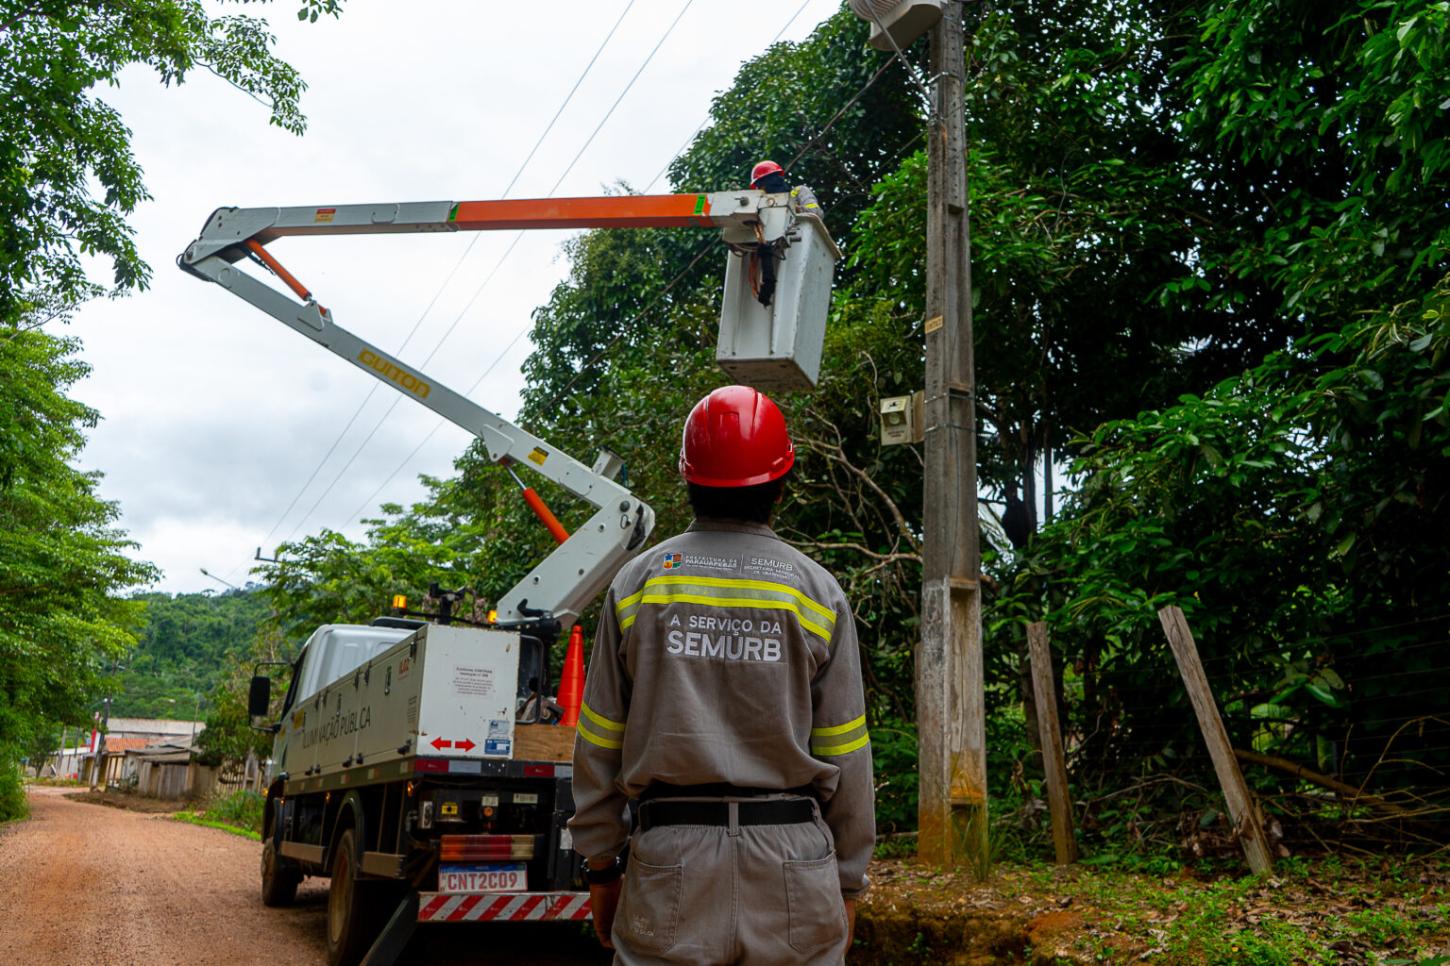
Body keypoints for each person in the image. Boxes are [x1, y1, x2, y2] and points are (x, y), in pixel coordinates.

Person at [569, 385, 875, 965]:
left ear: (688, 480)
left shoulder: (639, 584)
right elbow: (846, 753)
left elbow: (601, 741)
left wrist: (602, 866)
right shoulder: (816, 593)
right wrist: (848, 880)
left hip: (668, 863)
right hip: (794, 866)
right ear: (781, 482)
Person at [750, 159, 822, 216]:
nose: (761, 189)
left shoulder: (799, 191)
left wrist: (790, 206)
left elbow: (815, 213)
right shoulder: (763, 205)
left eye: (761, 186)